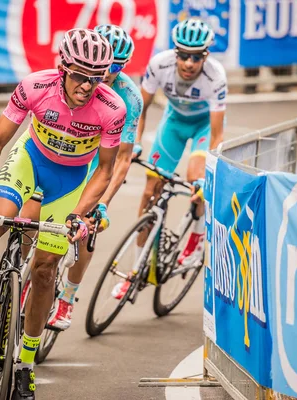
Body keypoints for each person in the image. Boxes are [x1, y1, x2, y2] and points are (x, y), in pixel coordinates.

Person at [0, 28, 131, 400]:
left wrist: (80, 215)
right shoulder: (36, 87)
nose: (88, 85)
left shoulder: (113, 107)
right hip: (29, 162)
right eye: (80, 75)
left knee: (46, 269)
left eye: (96, 77)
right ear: (63, 67)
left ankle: (25, 364)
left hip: (68, 183)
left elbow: (104, 170)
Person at [18, 24, 142, 331]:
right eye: (107, 64)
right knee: (28, 217)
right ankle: (17, 275)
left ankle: (67, 298)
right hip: (63, 150)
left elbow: (121, 160)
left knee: (89, 227)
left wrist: (103, 204)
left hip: (98, 160)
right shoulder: (70, 79)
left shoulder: (127, 98)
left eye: (117, 67)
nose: (108, 72)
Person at [111, 18, 227, 299]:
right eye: (184, 55)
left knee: (194, 178)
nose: (189, 63)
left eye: (196, 56)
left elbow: (216, 136)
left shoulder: (216, 77)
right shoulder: (159, 65)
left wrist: (207, 176)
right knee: (150, 190)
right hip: (173, 123)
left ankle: (196, 240)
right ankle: (137, 271)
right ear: (175, 53)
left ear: (205, 56)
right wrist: (135, 143)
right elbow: (139, 109)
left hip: (203, 127)